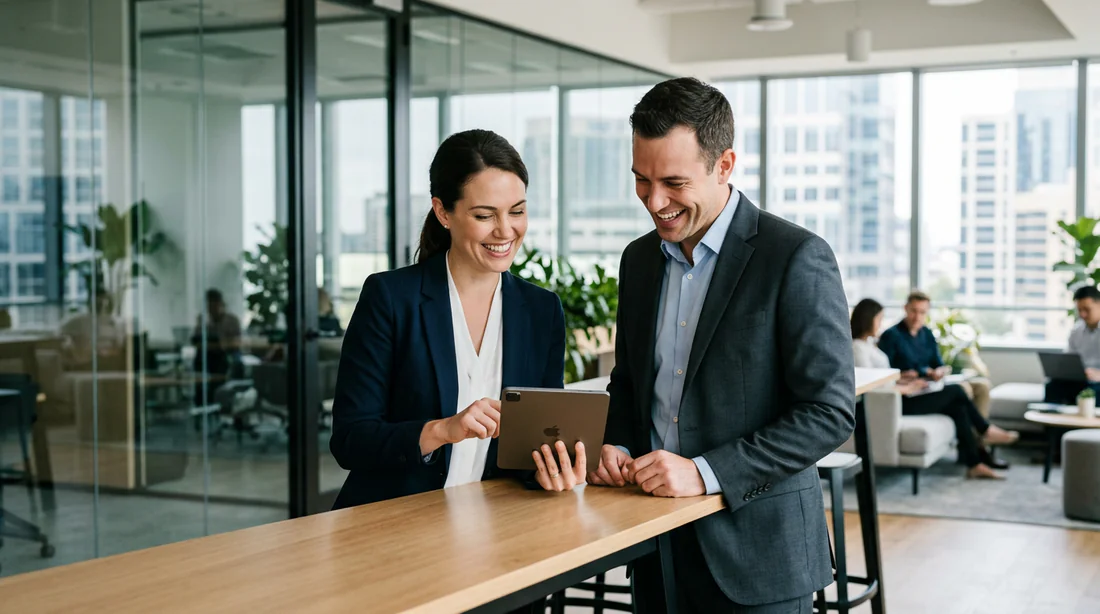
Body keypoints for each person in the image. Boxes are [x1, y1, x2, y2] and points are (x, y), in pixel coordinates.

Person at [588, 77, 854, 614]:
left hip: (758, 554)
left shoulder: (796, 256)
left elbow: (828, 413)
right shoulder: (638, 261)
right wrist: (615, 442)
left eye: (673, 182)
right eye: (641, 180)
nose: (655, 201)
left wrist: (705, 473)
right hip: (654, 543)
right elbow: (631, 383)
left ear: (724, 165)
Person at [329, 131, 582, 522]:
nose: (505, 230)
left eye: (517, 211)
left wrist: (552, 469)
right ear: (443, 212)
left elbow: (535, 443)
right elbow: (350, 441)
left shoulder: (541, 310)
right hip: (389, 529)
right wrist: (443, 430)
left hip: (492, 528)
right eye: (484, 215)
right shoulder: (391, 298)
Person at [851, 298, 1018, 478]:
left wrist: (904, 380)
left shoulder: (869, 345)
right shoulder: (859, 348)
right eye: (879, 318)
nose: (881, 323)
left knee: (959, 407)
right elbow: (868, 387)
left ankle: (974, 463)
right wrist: (905, 389)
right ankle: (984, 430)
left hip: (903, 393)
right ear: (868, 319)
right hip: (894, 403)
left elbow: (883, 380)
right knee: (956, 391)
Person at [877, 291, 994, 417]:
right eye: (913, 311)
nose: (917, 317)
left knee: (982, 386)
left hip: (932, 383)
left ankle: (979, 434)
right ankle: (983, 430)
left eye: (922, 312)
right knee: (963, 389)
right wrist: (919, 373)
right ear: (905, 308)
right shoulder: (891, 336)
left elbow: (939, 363)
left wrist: (939, 371)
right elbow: (886, 372)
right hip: (913, 389)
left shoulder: (927, 334)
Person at [1045, 286, 1100, 404]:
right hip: (1079, 379)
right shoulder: (1077, 331)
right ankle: (1052, 422)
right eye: (1079, 310)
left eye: (1087, 309)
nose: (1083, 314)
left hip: (1097, 382)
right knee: (1052, 386)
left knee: (1093, 392)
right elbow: (1069, 359)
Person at [191, 288, 242, 404]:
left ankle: (217, 398)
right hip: (207, 355)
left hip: (226, 355)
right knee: (200, 358)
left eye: (214, 305)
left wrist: (222, 343)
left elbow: (236, 342)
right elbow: (197, 340)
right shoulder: (203, 320)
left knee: (222, 361)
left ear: (221, 304)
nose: (211, 309)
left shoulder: (232, 320)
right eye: (209, 305)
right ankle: (201, 400)